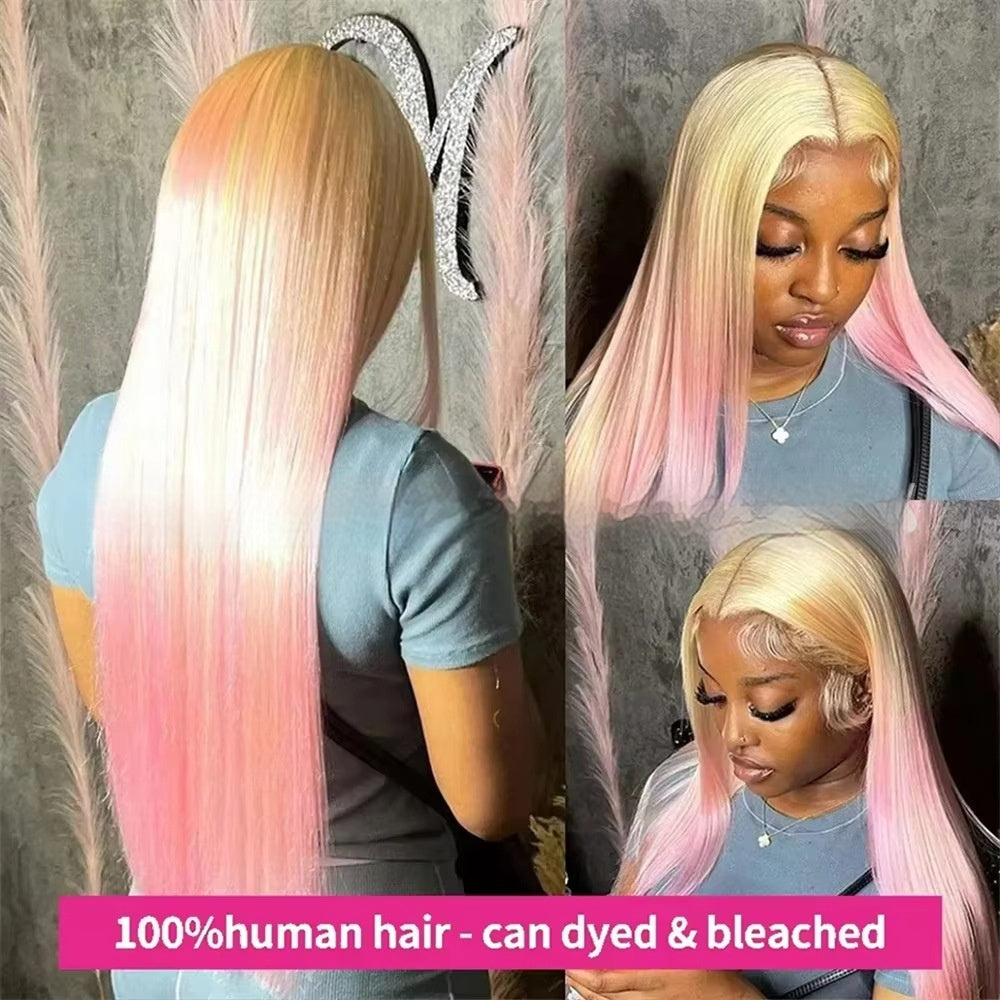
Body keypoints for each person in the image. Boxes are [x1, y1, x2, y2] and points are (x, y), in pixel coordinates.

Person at [35, 44, 544, 1000]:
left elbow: (126, 705)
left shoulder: (94, 449)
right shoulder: (413, 489)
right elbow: (493, 802)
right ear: (366, 251)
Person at [566, 43, 1000, 516]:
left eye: (859, 249)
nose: (822, 288)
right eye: (779, 245)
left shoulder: (943, 434)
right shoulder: (588, 448)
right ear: (701, 234)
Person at [568, 531, 998, 1000]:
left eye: (768, 708)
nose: (732, 736)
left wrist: (736, 997)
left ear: (863, 691)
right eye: (713, 699)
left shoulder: (918, 895)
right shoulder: (681, 795)